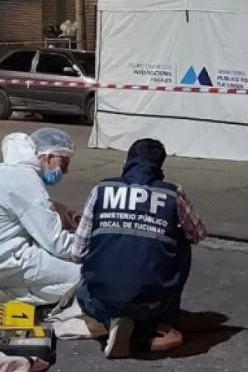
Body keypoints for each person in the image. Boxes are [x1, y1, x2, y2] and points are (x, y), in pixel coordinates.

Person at [69, 138, 206, 359]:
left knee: (86, 287)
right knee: (182, 238)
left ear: (128, 160)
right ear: (159, 165)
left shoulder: (101, 189)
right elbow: (198, 234)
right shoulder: (173, 194)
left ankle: (110, 321)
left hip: (100, 299)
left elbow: (77, 253)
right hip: (155, 303)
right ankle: (150, 326)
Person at [0, 128, 82, 318]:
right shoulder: (25, 181)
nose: (66, 171)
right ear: (49, 157)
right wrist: (92, 246)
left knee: (57, 265)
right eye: (64, 163)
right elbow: (56, 243)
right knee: (84, 276)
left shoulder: (7, 171)